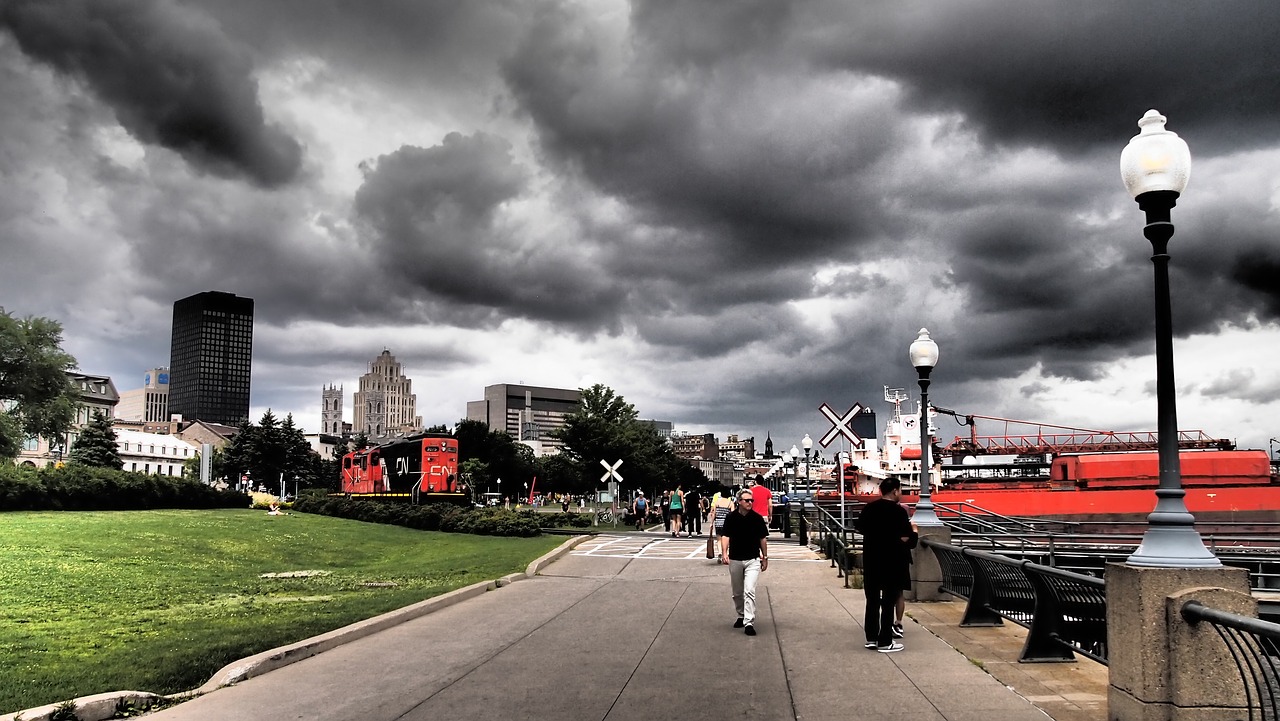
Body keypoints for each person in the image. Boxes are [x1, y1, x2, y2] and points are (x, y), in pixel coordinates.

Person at [854, 478, 914, 653]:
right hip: (892, 562)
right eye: (900, 490)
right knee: (888, 602)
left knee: (872, 600)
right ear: (895, 491)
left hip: (872, 560)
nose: (900, 494)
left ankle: (871, 638)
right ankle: (885, 641)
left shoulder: (869, 508)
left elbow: (860, 528)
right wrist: (915, 533)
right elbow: (907, 539)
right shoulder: (898, 512)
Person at [720, 488, 769, 636]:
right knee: (737, 592)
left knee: (749, 590)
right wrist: (724, 553)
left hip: (752, 559)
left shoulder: (757, 518)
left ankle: (749, 622)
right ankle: (741, 615)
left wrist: (765, 557)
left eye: (751, 500)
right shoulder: (731, 518)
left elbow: (763, 539)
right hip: (735, 558)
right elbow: (725, 535)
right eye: (747, 500)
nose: (750, 503)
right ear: (739, 502)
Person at [708, 489, 734, 562]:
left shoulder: (717, 502)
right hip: (727, 523)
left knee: (719, 539)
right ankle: (725, 553)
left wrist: (711, 523)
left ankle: (719, 553)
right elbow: (733, 515)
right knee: (727, 539)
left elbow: (714, 514)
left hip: (718, 522)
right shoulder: (730, 503)